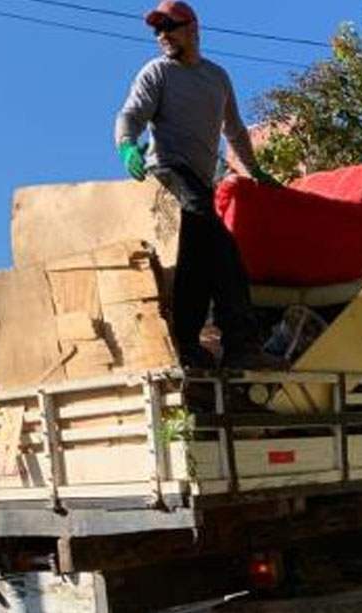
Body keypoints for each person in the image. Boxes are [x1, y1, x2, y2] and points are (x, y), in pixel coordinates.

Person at [114, 0, 283, 370]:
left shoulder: (217, 77)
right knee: (222, 246)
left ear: (192, 28)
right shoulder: (156, 73)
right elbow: (130, 114)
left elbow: (234, 130)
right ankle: (241, 345)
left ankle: (187, 345)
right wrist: (127, 145)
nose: (162, 36)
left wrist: (254, 170)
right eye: (157, 30)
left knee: (197, 260)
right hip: (168, 174)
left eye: (169, 27)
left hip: (201, 181)